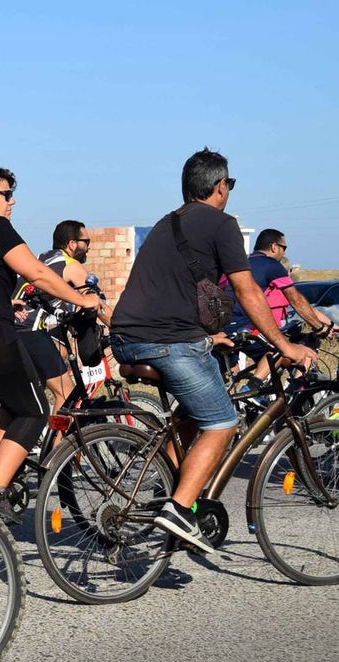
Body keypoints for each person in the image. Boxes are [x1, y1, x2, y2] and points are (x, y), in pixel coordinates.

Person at [109, 149, 318, 552]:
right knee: (222, 421)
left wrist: (211, 336)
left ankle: (161, 487)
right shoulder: (222, 224)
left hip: (127, 337)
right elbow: (246, 289)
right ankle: (178, 508)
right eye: (230, 185)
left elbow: (168, 292)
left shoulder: (165, 224)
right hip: (168, 342)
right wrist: (283, 343)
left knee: (192, 415)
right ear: (220, 186)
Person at [0, 169, 105, 525]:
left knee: (13, 401)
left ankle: (6, 470)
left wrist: (5, 303)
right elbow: (39, 274)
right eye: (6, 193)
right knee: (35, 411)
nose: (11, 201)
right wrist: (82, 300)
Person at [223, 228, 335, 382]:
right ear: (275, 247)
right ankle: (254, 388)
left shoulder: (240, 263)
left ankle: (242, 399)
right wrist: (320, 328)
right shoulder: (272, 265)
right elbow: (296, 300)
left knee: (228, 380)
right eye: (284, 248)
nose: (284, 252)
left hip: (220, 327)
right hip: (245, 326)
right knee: (282, 349)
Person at [12, 220, 95, 414]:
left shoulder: (44, 258)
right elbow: (93, 302)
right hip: (30, 331)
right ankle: (58, 445)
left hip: (16, 327)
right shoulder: (71, 265)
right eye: (86, 241)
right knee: (66, 393)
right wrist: (118, 326)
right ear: (72, 244)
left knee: (24, 399)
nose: (89, 247)